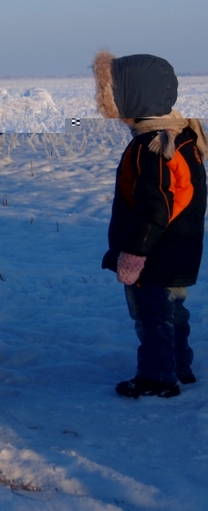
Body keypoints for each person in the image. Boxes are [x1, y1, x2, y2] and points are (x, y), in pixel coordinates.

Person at [93, 51, 207, 398]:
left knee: (152, 316)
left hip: (155, 256)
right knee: (173, 311)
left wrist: (134, 254)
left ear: (133, 96)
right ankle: (179, 364)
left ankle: (158, 376)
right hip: (179, 251)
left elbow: (155, 208)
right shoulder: (183, 136)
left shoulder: (152, 146)